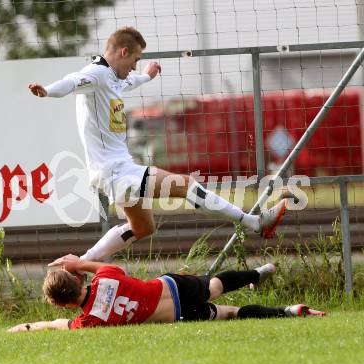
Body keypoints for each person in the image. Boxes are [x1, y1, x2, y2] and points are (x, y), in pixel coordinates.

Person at [28, 26, 288, 263]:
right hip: (116, 170)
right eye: (135, 59)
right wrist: (48, 91)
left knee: (143, 228)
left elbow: (129, 82)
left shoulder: (112, 75)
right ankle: (255, 222)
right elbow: (73, 81)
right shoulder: (96, 73)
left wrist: (147, 76)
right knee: (186, 185)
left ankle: (78, 263)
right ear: (123, 51)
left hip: (116, 170)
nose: (134, 66)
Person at [8, 255, 325, 332]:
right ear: (77, 279)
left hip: (178, 313)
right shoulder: (104, 276)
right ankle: (258, 272)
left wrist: (28, 327)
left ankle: (288, 311)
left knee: (229, 312)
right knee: (215, 284)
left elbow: (58, 324)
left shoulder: (91, 321)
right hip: (172, 286)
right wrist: (81, 262)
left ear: (63, 301)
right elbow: (103, 266)